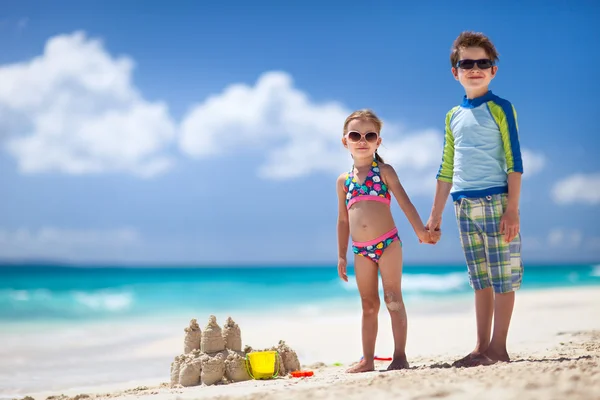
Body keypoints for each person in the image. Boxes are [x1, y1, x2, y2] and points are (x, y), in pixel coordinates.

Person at [426, 31, 524, 367]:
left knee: (502, 277)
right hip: (462, 204)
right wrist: (435, 215)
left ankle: (499, 346)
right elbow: (446, 168)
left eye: (483, 63)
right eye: (467, 63)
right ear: (455, 71)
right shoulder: (452, 115)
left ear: (493, 70)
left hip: (496, 202)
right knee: (480, 280)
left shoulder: (500, 108)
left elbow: (515, 162)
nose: (475, 68)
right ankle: (481, 347)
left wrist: (512, 209)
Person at [336, 109, 435, 373]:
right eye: (355, 135)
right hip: (360, 250)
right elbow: (343, 221)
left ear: (378, 141)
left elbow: (404, 202)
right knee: (368, 305)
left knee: (393, 299)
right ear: (345, 140)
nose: (362, 140)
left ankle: (400, 356)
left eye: (370, 135)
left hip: (388, 243)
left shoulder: (385, 171)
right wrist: (342, 255)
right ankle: (367, 360)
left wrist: (421, 232)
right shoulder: (343, 181)